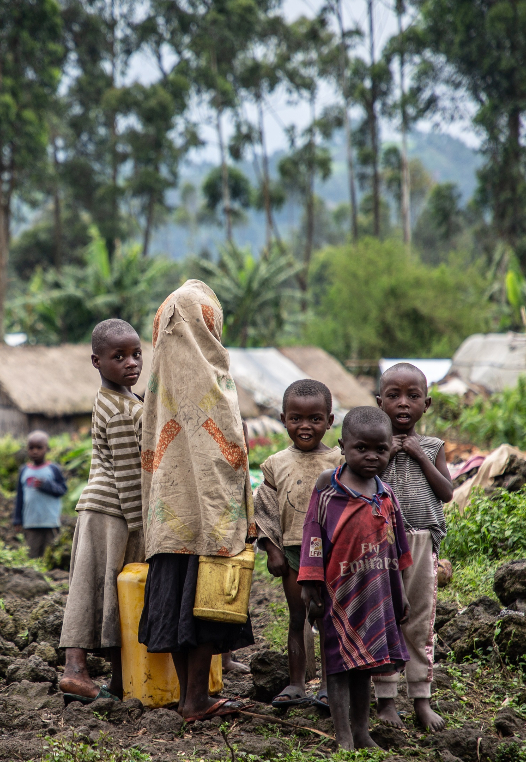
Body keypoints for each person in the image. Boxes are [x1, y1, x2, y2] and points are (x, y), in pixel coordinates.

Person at [138, 279, 254, 723]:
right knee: (206, 603)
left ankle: (190, 698)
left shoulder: (158, 380)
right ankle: (196, 700)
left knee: (178, 599)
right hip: (210, 517)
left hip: (169, 519)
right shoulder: (213, 375)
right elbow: (231, 453)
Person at [299, 406, 412, 750]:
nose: (372, 456)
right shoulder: (327, 489)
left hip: (376, 595)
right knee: (336, 666)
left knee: (366, 666)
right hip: (337, 596)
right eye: (361, 448)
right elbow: (312, 537)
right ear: (343, 446)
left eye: (381, 449)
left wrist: (401, 594)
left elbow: (398, 548)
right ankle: (343, 736)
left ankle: (362, 732)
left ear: (390, 448)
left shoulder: (386, 495)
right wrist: (310, 585)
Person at [58, 319, 145, 703]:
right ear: (97, 361)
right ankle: (78, 672)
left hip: (98, 508)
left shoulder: (119, 399)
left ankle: (111, 677)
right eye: (119, 356)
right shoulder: (121, 410)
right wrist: (143, 528)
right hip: (113, 512)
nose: (131, 363)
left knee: (95, 589)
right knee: (107, 591)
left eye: (136, 354)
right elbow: (128, 476)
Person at [372, 363, 454, 732]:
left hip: (422, 540)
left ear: (427, 404)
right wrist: (385, 453)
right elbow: (360, 484)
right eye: (393, 396)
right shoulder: (372, 447)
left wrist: (419, 454)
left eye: (413, 396)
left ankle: (421, 698)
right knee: (384, 618)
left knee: (420, 621)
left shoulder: (433, 447)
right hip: (380, 544)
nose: (403, 404)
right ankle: (386, 699)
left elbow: (447, 493)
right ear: (379, 402)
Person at [253, 379, 343, 708]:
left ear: (330, 421)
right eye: (296, 419)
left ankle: (330, 686)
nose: (305, 426)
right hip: (292, 551)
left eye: (315, 419)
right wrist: (271, 549)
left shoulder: (339, 462)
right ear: (283, 419)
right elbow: (263, 510)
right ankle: (295, 683)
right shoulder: (276, 464)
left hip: (331, 554)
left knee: (327, 618)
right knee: (297, 616)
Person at [12, 431, 68, 559]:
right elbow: (20, 496)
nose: (35, 451)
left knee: (50, 556)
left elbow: (62, 490)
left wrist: (46, 486)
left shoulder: (53, 469)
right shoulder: (24, 470)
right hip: (31, 522)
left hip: (50, 522)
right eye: (31, 448)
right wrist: (17, 519)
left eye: (39, 448)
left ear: (46, 449)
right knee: (32, 555)